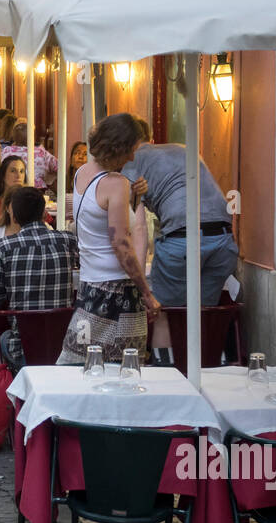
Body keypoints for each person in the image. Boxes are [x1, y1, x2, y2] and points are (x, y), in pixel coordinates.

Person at [123, 136, 238, 368]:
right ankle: (205, 368)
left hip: (182, 238)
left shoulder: (133, 162)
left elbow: (139, 225)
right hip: (223, 239)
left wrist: (135, 265)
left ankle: (166, 372)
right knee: (202, 311)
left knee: (164, 312)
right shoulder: (186, 148)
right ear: (150, 139)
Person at [58, 113, 159, 365]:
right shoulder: (116, 183)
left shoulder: (82, 173)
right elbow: (121, 245)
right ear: (118, 147)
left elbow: (99, 222)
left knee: (80, 361)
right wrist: (146, 292)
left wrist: (134, 200)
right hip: (119, 289)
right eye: (131, 150)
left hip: (90, 283)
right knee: (125, 366)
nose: (133, 157)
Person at [0, 187, 80, 371]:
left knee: (3, 336)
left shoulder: (3, 247)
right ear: (44, 213)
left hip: (23, 348)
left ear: (15, 217)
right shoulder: (67, 240)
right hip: (64, 346)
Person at [1, 123, 59, 188]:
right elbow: (59, 167)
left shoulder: (6, 151)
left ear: (14, 138)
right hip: (38, 188)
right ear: (32, 137)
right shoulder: (41, 152)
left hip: (13, 188)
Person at [0, 155, 28, 220]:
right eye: (13, 171)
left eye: (21, 171)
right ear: (3, 176)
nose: (18, 176)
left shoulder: (30, 203)